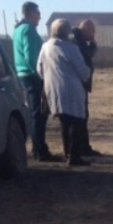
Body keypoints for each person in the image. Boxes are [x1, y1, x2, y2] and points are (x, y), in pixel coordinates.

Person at [37, 19, 92, 166]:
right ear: (67, 32)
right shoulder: (71, 48)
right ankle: (74, 156)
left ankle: (67, 153)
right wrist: (88, 71)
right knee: (76, 122)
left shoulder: (45, 47)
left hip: (53, 89)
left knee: (64, 122)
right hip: (72, 89)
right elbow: (83, 71)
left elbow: (39, 69)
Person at [13, 1, 61, 161]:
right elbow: (32, 57)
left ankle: (38, 148)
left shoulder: (18, 29)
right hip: (33, 76)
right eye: (38, 13)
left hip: (23, 75)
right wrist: (42, 75)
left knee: (37, 113)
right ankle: (40, 150)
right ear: (30, 13)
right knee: (38, 114)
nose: (40, 17)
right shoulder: (29, 30)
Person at [70, 19, 101, 157]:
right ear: (86, 29)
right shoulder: (77, 41)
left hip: (82, 83)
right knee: (80, 117)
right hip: (78, 83)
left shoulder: (78, 40)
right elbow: (84, 57)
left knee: (84, 116)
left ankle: (84, 147)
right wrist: (93, 45)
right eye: (92, 31)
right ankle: (81, 149)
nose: (93, 34)